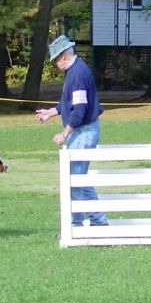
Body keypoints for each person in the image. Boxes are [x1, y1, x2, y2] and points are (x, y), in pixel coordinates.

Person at [35, 35, 108, 226]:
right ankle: (81, 222)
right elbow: (69, 103)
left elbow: (80, 110)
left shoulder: (77, 73)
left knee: (75, 178)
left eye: (56, 59)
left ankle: (92, 222)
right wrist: (50, 112)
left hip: (84, 131)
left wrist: (64, 133)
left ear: (64, 55)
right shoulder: (74, 71)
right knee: (76, 177)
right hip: (82, 130)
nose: (55, 63)